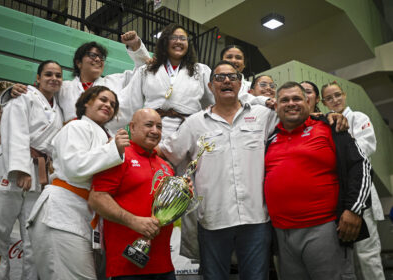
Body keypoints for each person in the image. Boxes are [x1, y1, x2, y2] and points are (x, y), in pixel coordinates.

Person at [160, 60, 279, 280]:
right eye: (219, 77)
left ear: (240, 84)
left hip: (256, 218)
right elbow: (167, 152)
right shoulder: (194, 123)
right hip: (213, 220)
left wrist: (326, 117)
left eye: (232, 77)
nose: (226, 81)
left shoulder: (264, 117)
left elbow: (295, 120)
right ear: (210, 85)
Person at [264, 81, 372, 280]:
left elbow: (361, 166)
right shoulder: (270, 138)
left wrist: (354, 209)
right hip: (282, 234)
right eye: (285, 100)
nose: (291, 103)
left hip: (324, 229)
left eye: (297, 98)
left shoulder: (330, 127)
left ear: (308, 102)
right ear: (276, 106)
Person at [26, 86, 130, 279]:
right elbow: (74, 167)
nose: (108, 105)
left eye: (113, 104)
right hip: (61, 214)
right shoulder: (76, 127)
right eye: (103, 99)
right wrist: (113, 149)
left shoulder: (103, 135)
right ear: (86, 102)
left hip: (81, 216)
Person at [0, 61, 64, 280]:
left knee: (35, 235)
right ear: (37, 78)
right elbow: (14, 130)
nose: (53, 78)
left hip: (40, 172)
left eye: (58, 75)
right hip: (9, 165)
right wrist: (21, 168)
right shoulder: (23, 96)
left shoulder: (59, 108)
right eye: (48, 74)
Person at [89, 109, 175, 279]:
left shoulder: (166, 166)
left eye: (159, 126)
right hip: (126, 267)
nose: (155, 131)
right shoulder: (119, 155)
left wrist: (182, 195)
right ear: (132, 128)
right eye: (149, 125)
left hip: (164, 265)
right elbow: (96, 198)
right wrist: (133, 221)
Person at [2, 31, 150, 127]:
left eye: (101, 57)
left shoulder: (116, 81)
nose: (98, 59)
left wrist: (135, 45)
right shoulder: (63, 87)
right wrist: (14, 91)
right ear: (79, 62)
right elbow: (38, 98)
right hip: (70, 144)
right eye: (92, 55)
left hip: (105, 143)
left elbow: (144, 69)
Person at [321, 81, 385, 280]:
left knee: (368, 255)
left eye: (337, 95)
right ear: (324, 102)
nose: (335, 100)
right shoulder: (326, 125)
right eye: (329, 98)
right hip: (340, 197)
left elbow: (365, 149)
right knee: (347, 258)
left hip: (361, 193)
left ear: (344, 95)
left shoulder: (358, 117)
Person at [116, 23, 215, 140]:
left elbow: (215, 103)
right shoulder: (147, 70)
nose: (178, 41)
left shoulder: (201, 70)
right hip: (151, 133)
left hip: (188, 134)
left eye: (183, 38)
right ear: (164, 42)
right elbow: (128, 102)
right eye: (173, 38)